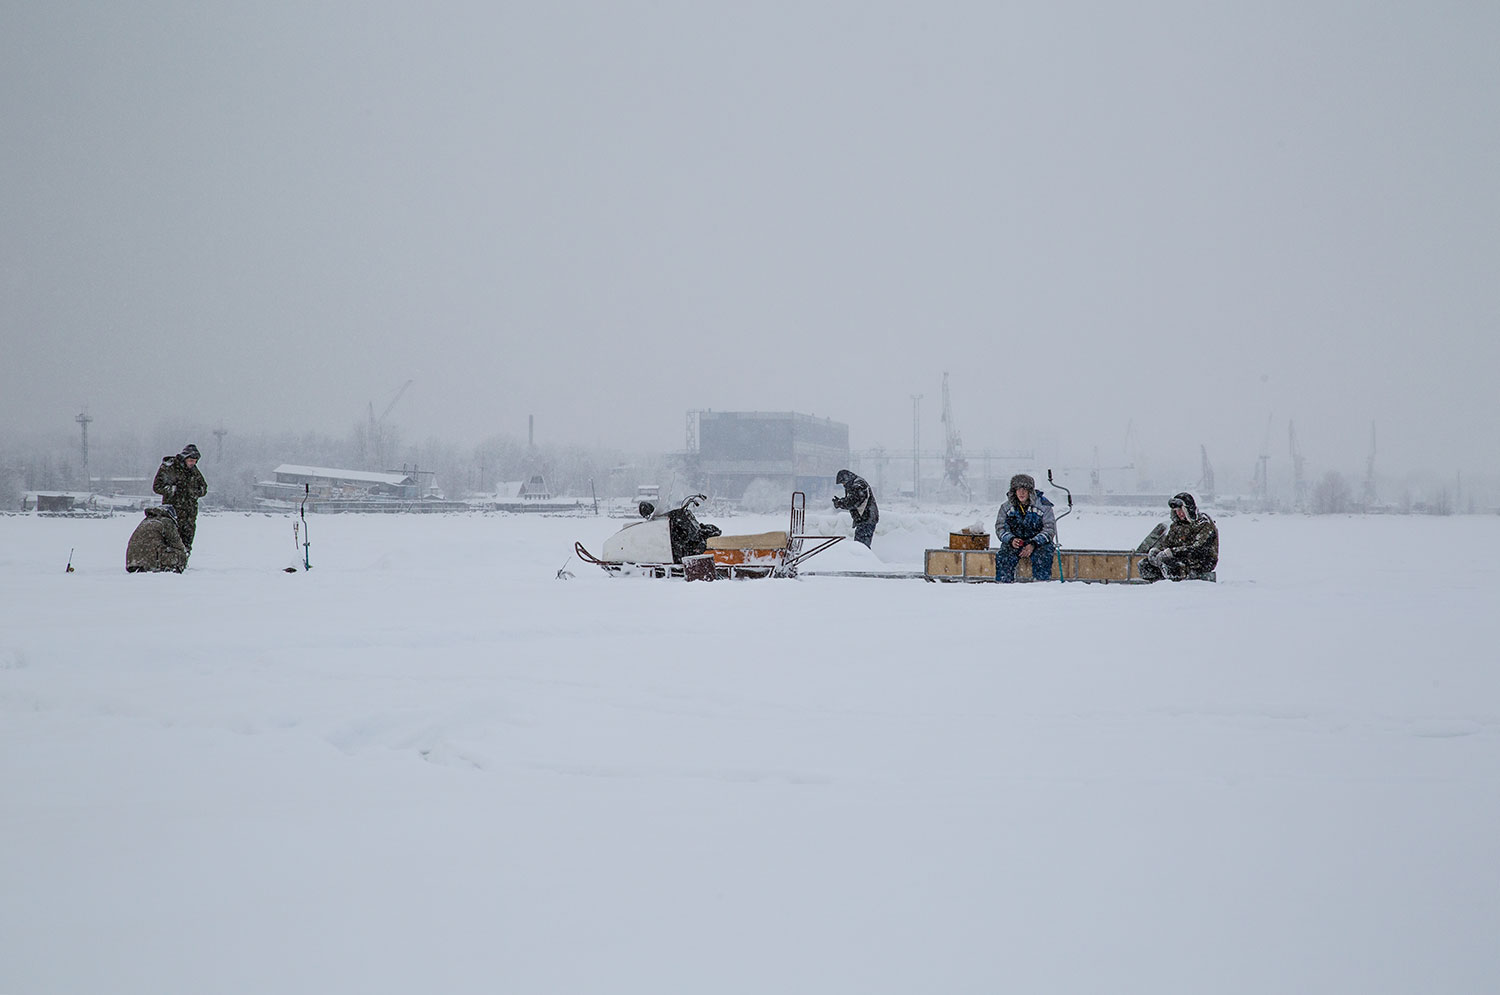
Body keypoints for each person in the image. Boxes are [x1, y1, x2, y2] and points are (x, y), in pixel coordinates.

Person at [1136, 492, 1219, 582]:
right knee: (1145, 566)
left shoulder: (1204, 524)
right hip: (1179, 559)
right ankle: (1158, 586)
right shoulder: (1177, 526)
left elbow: (1198, 550)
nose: (1179, 513)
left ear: (1188, 509)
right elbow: (1167, 543)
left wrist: (1173, 552)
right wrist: (1157, 552)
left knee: (1170, 566)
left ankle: (1178, 587)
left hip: (1200, 562)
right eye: (1176, 511)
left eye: (1181, 510)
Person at [994, 473, 1057, 582]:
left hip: (1039, 544)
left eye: (1024, 489)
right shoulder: (1006, 507)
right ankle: (1004, 585)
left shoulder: (1044, 506)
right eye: (1018, 489)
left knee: (1043, 556)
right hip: (1014, 543)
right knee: (1004, 557)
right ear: (1014, 491)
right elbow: (1000, 528)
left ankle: (1042, 585)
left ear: (1030, 491)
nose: (1021, 492)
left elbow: (1049, 529)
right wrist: (1011, 540)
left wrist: (1033, 543)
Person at [153, 444, 207, 556]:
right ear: (184, 458)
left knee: (186, 542)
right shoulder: (169, 468)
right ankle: (168, 560)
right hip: (172, 512)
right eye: (191, 460)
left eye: (195, 461)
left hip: (189, 514)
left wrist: (195, 492)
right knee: (170, 540)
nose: (193, 463)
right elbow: (157, 487)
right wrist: (173, 490)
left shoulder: (194, 470)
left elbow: (203, 487)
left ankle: (184, 558)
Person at [640, 497, 722, 563]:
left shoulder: (662, 520)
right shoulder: (652, 524)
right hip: (674, 552)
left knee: (695, 534)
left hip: (682, 549)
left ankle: (693, 548)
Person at [125, 505, 188, 573]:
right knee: (181, 554)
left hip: (131, 560)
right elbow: (177, 544)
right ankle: (170, 569)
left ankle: (142, 564)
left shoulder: (146, 521)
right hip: (150, 559)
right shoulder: (166, 521)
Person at [832, 469, 878, 548]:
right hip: (864, 519)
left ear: (847, 479)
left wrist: (841, 503)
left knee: (861, 546)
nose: (843, 485)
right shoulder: (856, 484)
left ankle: (863, 556)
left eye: (843, 482)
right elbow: (853, 499)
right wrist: (841, 502)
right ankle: (862, 555)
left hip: (867, 519)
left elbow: (855, 501)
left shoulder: (859, 484)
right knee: (860, 545)